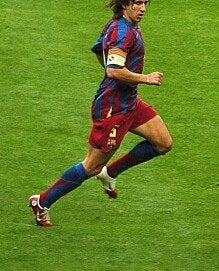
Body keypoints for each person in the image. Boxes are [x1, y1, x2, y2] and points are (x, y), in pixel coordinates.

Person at [28, 0, 172, 227]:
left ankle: (110, 173)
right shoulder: (122, 32)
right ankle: (42, 201)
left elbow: (98, 50)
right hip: (112, 109)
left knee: (163, 142)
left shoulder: (119, 24)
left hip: (130, 102)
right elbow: (113, 70)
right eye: (137, 3)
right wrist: (145, 78)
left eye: (145, 2)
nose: (142, 8)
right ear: (125, 4)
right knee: (91, 165)